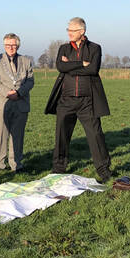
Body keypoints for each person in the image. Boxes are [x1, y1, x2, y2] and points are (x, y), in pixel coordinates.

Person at [45, 17, 113, 183]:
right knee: (61, 136)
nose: (69, 33)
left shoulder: (95, 48)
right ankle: (58, 169)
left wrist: (71, 65)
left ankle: (104, 171)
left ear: (82, 31)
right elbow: (60, 67)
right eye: (68, 29)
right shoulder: (64, 48)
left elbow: (93, 69)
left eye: (72, 30)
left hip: (87, 101)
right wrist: (81, 63)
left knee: (96, 135)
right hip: (66, 100)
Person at [0, 33, 34, 172]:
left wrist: (19, 93)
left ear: (18, 46)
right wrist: (8, 93)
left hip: (21, 103)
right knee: (2, 135)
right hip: (3, 103)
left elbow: (30, 81)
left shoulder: (26, 61)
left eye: (13, 45)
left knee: (18, 136)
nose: (10, 47)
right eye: (8, 45)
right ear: (4, 46)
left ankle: (16, 164)